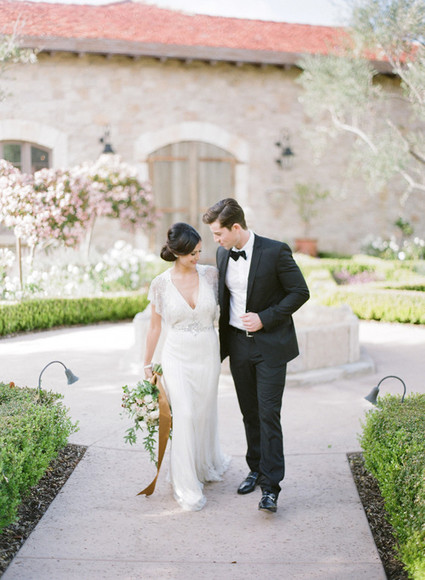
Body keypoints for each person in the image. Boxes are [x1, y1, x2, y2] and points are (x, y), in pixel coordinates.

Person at [202, 198, 309, 513]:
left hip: (270, 346)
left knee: (268, 414)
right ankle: (256, 468)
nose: (215, 240)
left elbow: (300, 292)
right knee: (249, 413)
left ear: (236, 227)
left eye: (218, 233)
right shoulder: (223, 254)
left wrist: (265, 317)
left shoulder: (275, 251)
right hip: (238, 346)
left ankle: (271, 487)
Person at [143, 222, 230, 511]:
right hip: (176, 355)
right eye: (192, 253)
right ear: (177, 253)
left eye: (199, 252)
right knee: (185, 414)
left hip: (207, 353)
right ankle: (185, 483)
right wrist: (147, 363)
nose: (197, 257)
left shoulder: (211, 275)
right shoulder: (160, 283)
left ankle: (201, 465)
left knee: (203, 413)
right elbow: (154, 327)